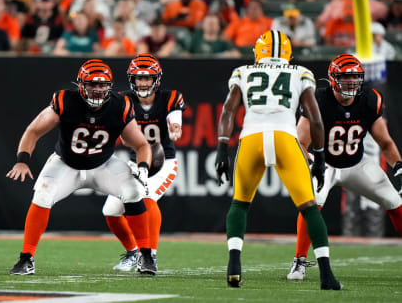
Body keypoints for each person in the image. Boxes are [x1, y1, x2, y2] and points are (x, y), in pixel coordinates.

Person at [215, 30, 341, 290]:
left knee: (240, 203)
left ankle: (234, 265)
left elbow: (229, 109)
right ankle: (326, 274)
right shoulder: (301, 73)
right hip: (285, 137)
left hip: (251, 139)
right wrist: (319, 158)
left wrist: (221, 147)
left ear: (257, 52)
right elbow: (314, 118)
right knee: (309, 207)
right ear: (288, 54)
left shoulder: (243, 71)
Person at [6, 59, 156, 275]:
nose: (97, 89)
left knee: (133, 190)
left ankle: (146, 256)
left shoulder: (120, 105)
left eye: (102, 84)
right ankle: (26, 258)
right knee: (42, 194)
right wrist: (22, 159)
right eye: (92, 84)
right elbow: (33, 131)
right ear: (81, 85)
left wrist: (142, 167)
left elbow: (141, 144)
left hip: (103, 164)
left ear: (109, 86)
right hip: (67, 164)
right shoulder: (65, 100)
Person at [286, 54, 402, 280]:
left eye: (355, 78)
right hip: (325, 164)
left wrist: (398, 165)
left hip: (357, 164)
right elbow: (300, 142)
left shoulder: (369, 100)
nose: (351, 83)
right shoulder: (318, 100)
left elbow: (385, 142)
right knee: (312, 203)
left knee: (395, 202)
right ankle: (299, 260)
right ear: (332, 78)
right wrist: (312, 163)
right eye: (345, 78)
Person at [102, 54, 185, 272]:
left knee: (146, 197)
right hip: (135, 162)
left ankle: (150, 256)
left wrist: (175, 127)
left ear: (156, 80)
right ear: (132, 79)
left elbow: (174, 117)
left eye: (147, 78)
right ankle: (133, 252)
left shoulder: (170, 97)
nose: (143, 82)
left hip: (162, 162)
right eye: (139, 78)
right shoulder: (124, 100)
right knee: (111, 210)